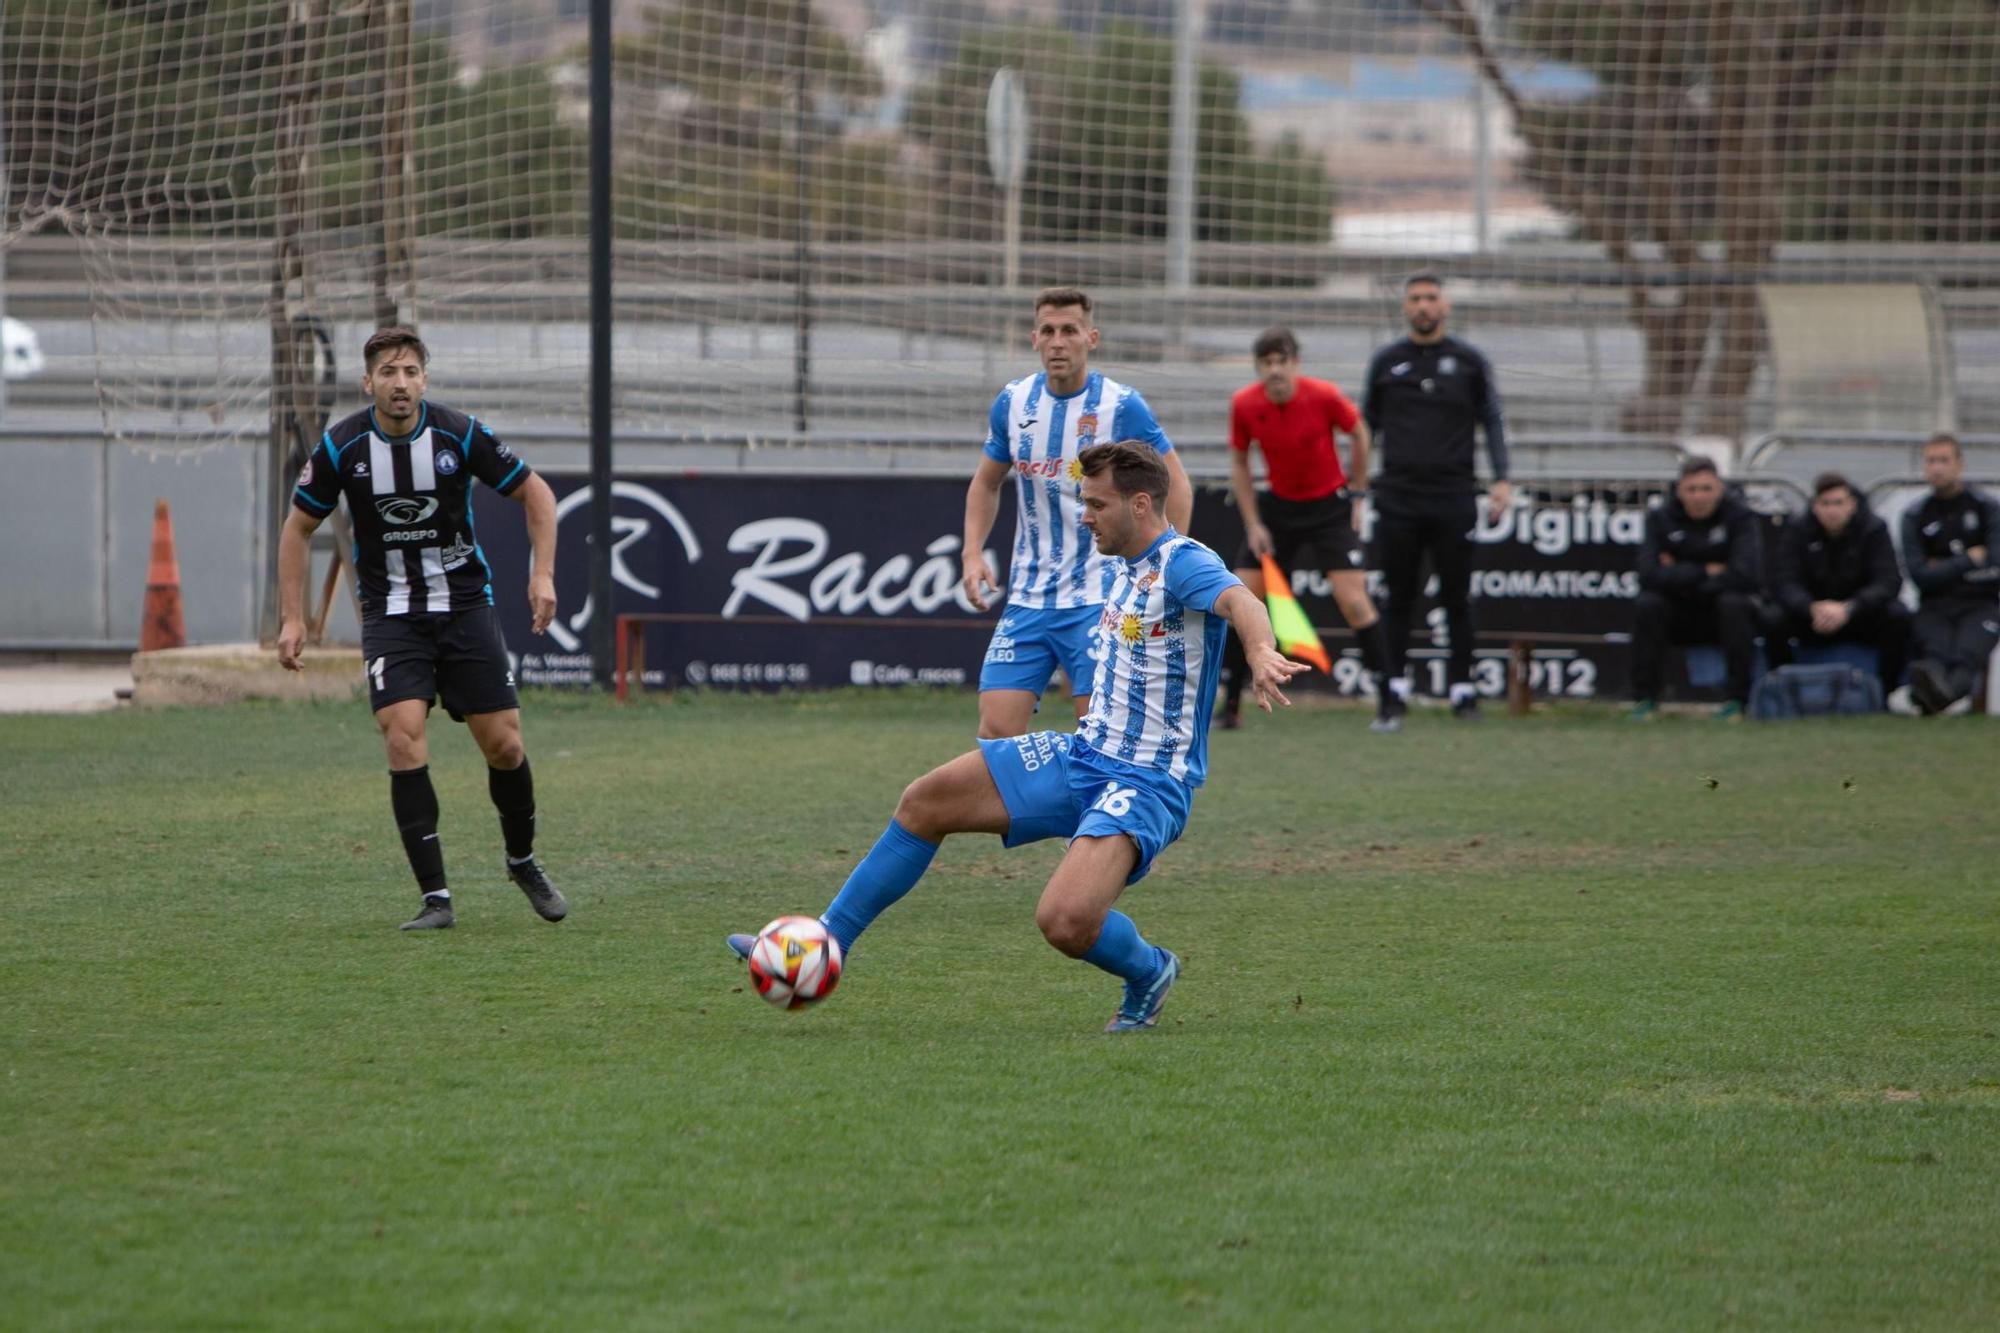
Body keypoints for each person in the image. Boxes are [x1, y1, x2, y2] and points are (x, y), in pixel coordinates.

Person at [730, 441, 1306, 1032]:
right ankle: (828, 943)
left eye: (1095, 504)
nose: (1084, 516)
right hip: (1082, 754)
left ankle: (1149, 970)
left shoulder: (1182, 561)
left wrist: (1261, 651)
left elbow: (1241, 599)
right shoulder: (1119, 563)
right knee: (924, 801)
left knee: (1064, 921)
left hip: (1148, 781)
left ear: (1139, 504)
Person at [277, 326, 567, 931]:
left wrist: (542, 577)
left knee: (505, 745)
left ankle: (522, 860)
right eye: (388, 372)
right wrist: (292, 618)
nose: (400, 383)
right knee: (403, 735)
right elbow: (297, 528)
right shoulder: (341, 447)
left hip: (463, 606)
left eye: (410, 371)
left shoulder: (458, 434)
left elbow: (537, 493)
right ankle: (436, 899)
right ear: (368, 383)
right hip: (391, 616)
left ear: (424, 380)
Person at [962, 288, 1194, 740]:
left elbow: (1177, 483)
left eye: (1069, 330)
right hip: (1028, 595)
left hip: (1098, 596)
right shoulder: (1013, 403)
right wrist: (972, 553)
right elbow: (985, 482)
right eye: (1048, 331)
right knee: (995, 732)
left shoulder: (1121, 406)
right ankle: (1025, 811)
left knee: (1097, 732)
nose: (1058, 341)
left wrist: (1166, 565)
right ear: (1033, 339)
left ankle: (1098, 811)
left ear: (1091, 337)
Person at [1218, 328, 1398, 732]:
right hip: (1278, 509)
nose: (1275, 370)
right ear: (1258, 367)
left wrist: (1357, 494)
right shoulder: (1245, 404)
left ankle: (1390, 702)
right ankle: (1230, 707)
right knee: (1240, 598)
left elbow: (1359, 433)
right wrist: (1254, 523)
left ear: (1295, 363)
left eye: (1282, 361)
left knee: (1354, 601)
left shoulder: (1324, 395)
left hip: (1329, 508)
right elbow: (1240, 463)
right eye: (1267, 363)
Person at [1362, 271, 1510, 724]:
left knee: (1457, 597)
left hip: (1454, 496)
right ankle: (1394, 691)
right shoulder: (1387, 362)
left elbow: (1493, 421)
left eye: (1431, 298)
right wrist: (1354, 483)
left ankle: (1464, 692)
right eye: (1415, 298)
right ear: (1405, 308)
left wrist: (1502, 478)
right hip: (1398, 497)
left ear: (1445, 306)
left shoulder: (1468, 361)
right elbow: (1364, 429)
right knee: (1397, 598)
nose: (1424, 305)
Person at [1629, 457, 1763, 721]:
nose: (1699, 496)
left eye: (1706, 488)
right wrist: (1707, 569)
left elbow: (1745, 574)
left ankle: (1737, 701)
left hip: (1720, 609)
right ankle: (1644, 700)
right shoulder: (1660, 518)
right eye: (1692, 489)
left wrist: (1678, 569)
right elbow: (1648, 575)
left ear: (1720, 489)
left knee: (1734, 603)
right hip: (1678, 610)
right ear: (1679, 490)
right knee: (1648, 604)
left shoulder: (1740, 517)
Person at [1762, 472, 1909, 697]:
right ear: (1815, 506)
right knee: (1773, 618)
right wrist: (1810, 607)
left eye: (1838, 503)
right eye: (1825, 503)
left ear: (1852, 505)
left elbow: (1888, 581)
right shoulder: (1796, 529)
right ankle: (1783, 692)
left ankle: (1886, 693)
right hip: (1811, 617)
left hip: (1858, 615)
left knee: (1897, 615)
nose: (1832, 510)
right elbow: (1783, 581)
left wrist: (1850, 608)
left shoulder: (1873, 529)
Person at [1900, 432, 2000, 715]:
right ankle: (1934, 698)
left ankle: (1924, 702)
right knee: (1934, 655)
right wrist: (1967, 559)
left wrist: (1940, 567)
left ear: (1960, 464)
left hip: (1981, 604)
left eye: (1944, 460)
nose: (1937, 468)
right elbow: (1919, 575)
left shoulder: (1986, 508)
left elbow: (1995, 569)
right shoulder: (1916, 514)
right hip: (1935, 603)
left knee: (1966, 658)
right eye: (1931, 461)